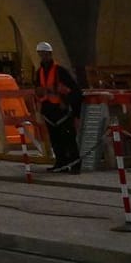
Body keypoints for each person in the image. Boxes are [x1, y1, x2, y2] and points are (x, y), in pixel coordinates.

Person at [34, 41, 82, 173]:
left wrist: (68, 103)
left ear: (50, 54)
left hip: (62, 111)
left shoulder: (60, 71)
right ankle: (61, 163)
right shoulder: (39, 72)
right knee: (55, 139)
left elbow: (76, 90)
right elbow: (38, 89)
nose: (43, 56)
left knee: (68, 138)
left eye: (45, 54)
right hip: (49, 110)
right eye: (40, 54)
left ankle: (75, 164)